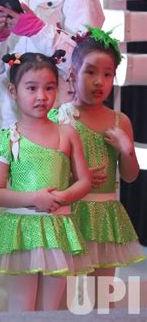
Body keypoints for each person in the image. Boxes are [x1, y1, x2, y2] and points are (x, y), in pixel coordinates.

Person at [0, 0, 105, 312]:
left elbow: (88, 58)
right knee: (0, 236)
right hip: (5, 124)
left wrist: (38, 29)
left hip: (59, 127)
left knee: (59, 242)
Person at [50, 26, 145, 307]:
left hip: (105, 214)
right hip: (69, 214)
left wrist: (126, 150)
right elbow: (48, 171)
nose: (98, 82)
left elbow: (129, 176)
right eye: (90, 72)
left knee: (102, 299)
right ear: (72, 73)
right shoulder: (60, 118)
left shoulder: (119, 121)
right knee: (62, 297)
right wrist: (77, 178)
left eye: (107, 74)